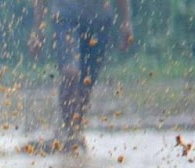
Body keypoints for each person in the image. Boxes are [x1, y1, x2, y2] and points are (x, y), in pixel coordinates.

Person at [28, 0, 133, 154]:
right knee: (70, 73)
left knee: (86, 84)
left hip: (99, 19)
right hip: (65, 15)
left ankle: (76, 130)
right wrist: (37, 29)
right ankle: (69, 133)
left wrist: (126, 21)